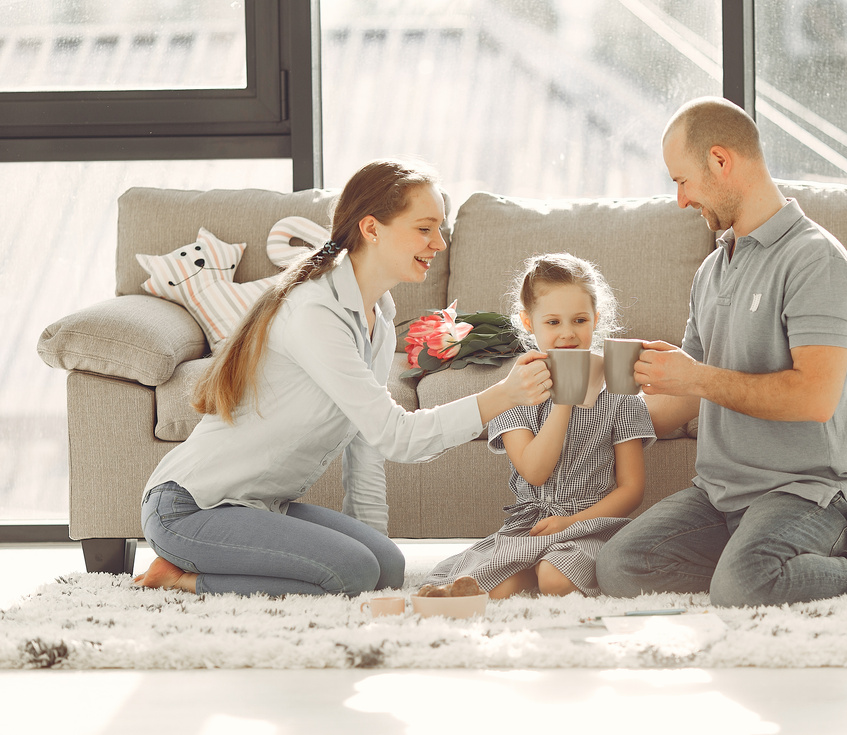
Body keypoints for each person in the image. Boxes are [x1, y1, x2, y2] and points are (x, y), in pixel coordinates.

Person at [595, 97, 847, 607]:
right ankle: (751, 561)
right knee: (621, 568)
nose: (679, 200)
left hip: (805, 492)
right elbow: (684, 400)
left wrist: (695, 376)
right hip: (718, 495)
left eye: (681, 181)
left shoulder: (815, 260)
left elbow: (814, 397)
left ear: (720, 161)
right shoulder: (712, 270)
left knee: (744, 585)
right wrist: (598, 414)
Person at [134, 159, 551, 597]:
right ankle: (185, 576)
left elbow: (366, 447)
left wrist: (372, 555)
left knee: (383, 568)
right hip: (191, 506)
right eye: (425, 228)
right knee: (351, 574)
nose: (440, 244)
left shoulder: (378, 320)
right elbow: (398, 437)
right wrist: (504, 394)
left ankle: (291, 563)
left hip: (259, 507)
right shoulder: (315, 312)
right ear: (372, 229)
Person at [423, 253, 656, 598]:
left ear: (596, 318)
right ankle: (515, 571)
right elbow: (535, 472)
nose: (568, 334)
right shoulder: (513, 393)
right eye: (553, 322)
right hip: (532, 525)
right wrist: (565, 397)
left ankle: (538, 567)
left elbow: (631, 490)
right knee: (489, 584)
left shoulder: (620, 397)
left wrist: (571, 523)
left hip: (591, 525)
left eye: (579, 320)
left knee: (555, 579)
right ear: (528, 322)